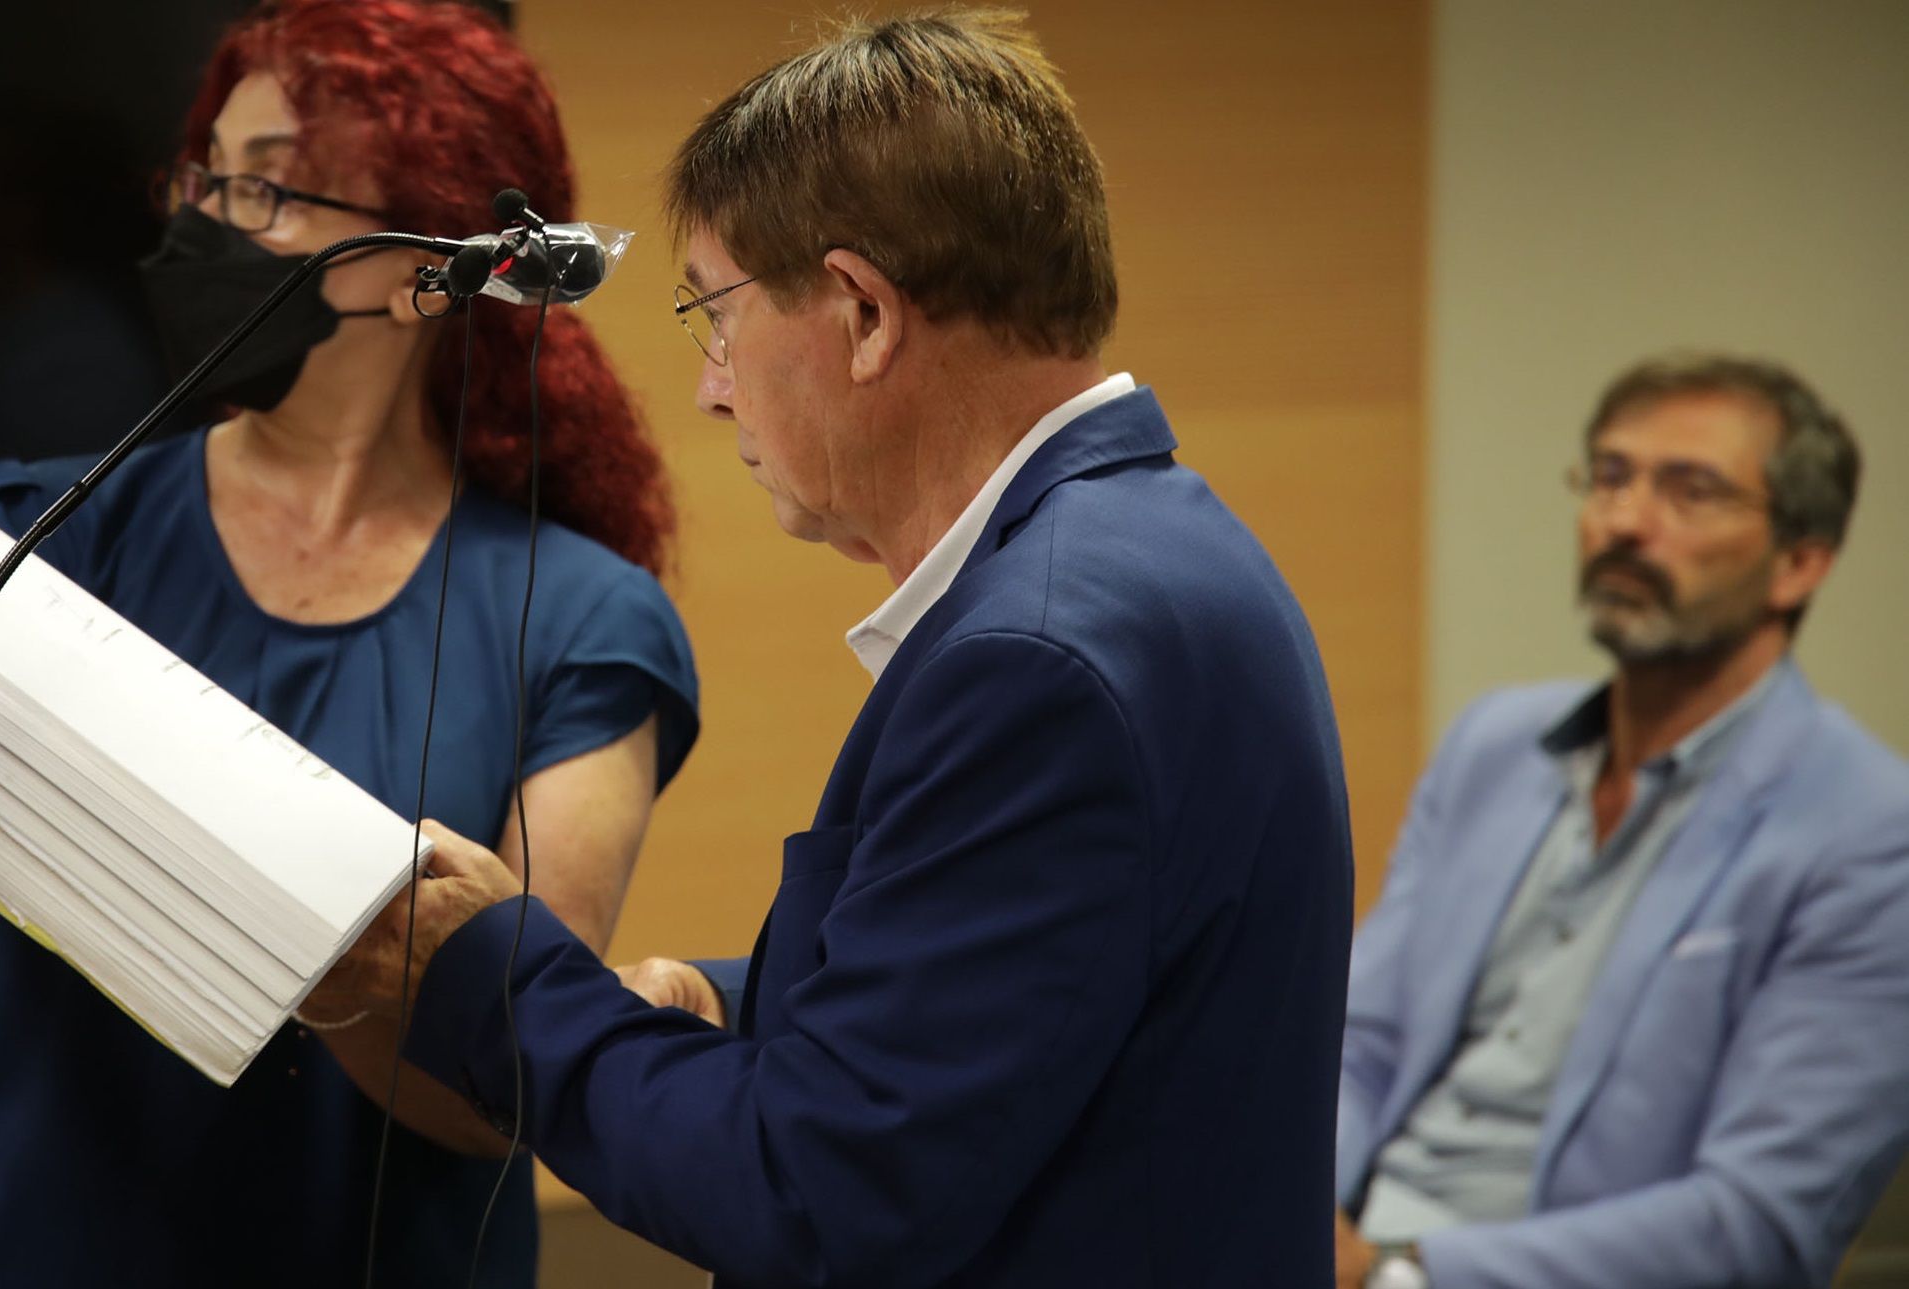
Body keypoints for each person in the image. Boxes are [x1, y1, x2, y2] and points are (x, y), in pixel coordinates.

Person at [339, 10, 1356, 1287]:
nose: (711, 388)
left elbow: (817, 1195)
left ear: (864, 314)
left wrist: (488, 970)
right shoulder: (1164, 550)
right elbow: (1028, 1010)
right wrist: (732, 1003)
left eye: (715, 314)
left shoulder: (1038, 659)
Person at [0, 3, 700, 1285]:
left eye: (270, 189)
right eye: (207, 177)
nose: (208, 226)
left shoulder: (579, 618)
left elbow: (509, 1081)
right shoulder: (42, 522)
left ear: (427, 263)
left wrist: (137, 849)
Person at [1334, 354, 1909, 1289]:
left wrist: (1396, 1273)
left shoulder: (1872, 834)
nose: (1625, 521)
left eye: (1692, 490)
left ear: (1800, 562)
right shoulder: (1494, 745)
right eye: (1610, 476)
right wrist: (1282, 1220)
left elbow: (1758, 1224)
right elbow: (1364, 1042)